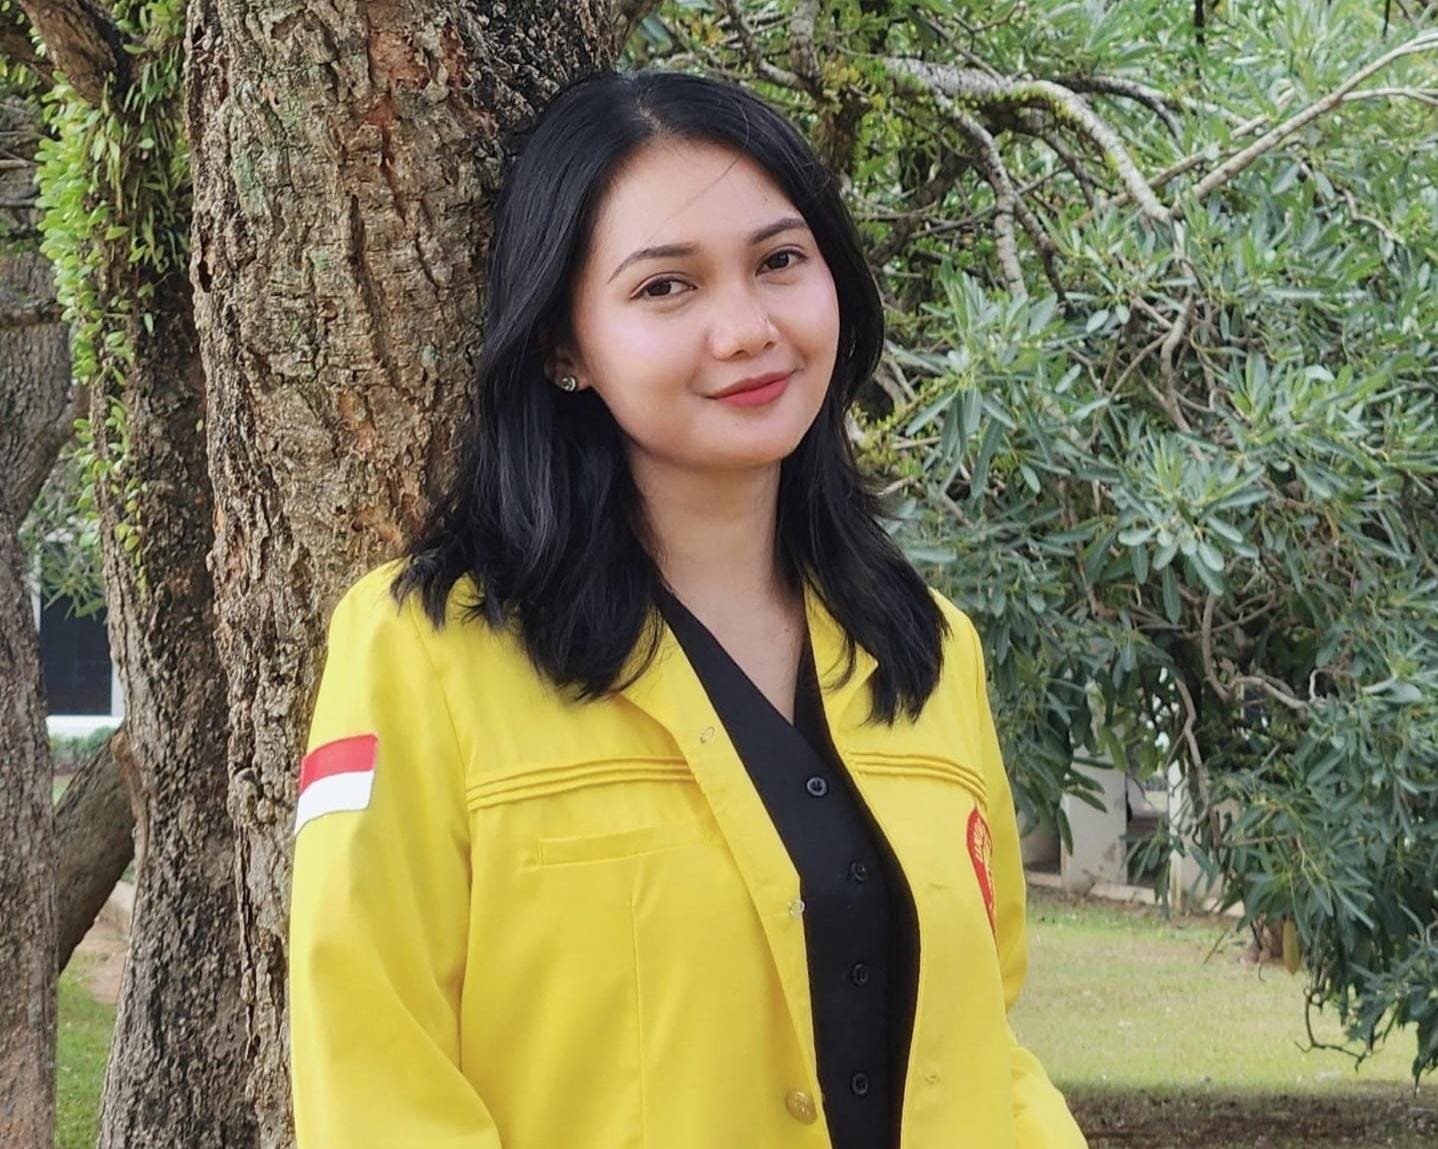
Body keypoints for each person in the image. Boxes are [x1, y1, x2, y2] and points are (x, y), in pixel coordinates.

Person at [286, 68, 1088, 1149]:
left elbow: (987, 1033)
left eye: (779, 261)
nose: (746, 329)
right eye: (667, 286)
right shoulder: (422, 651)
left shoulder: (928, 647)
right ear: (564, 344)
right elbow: (374, 1076)